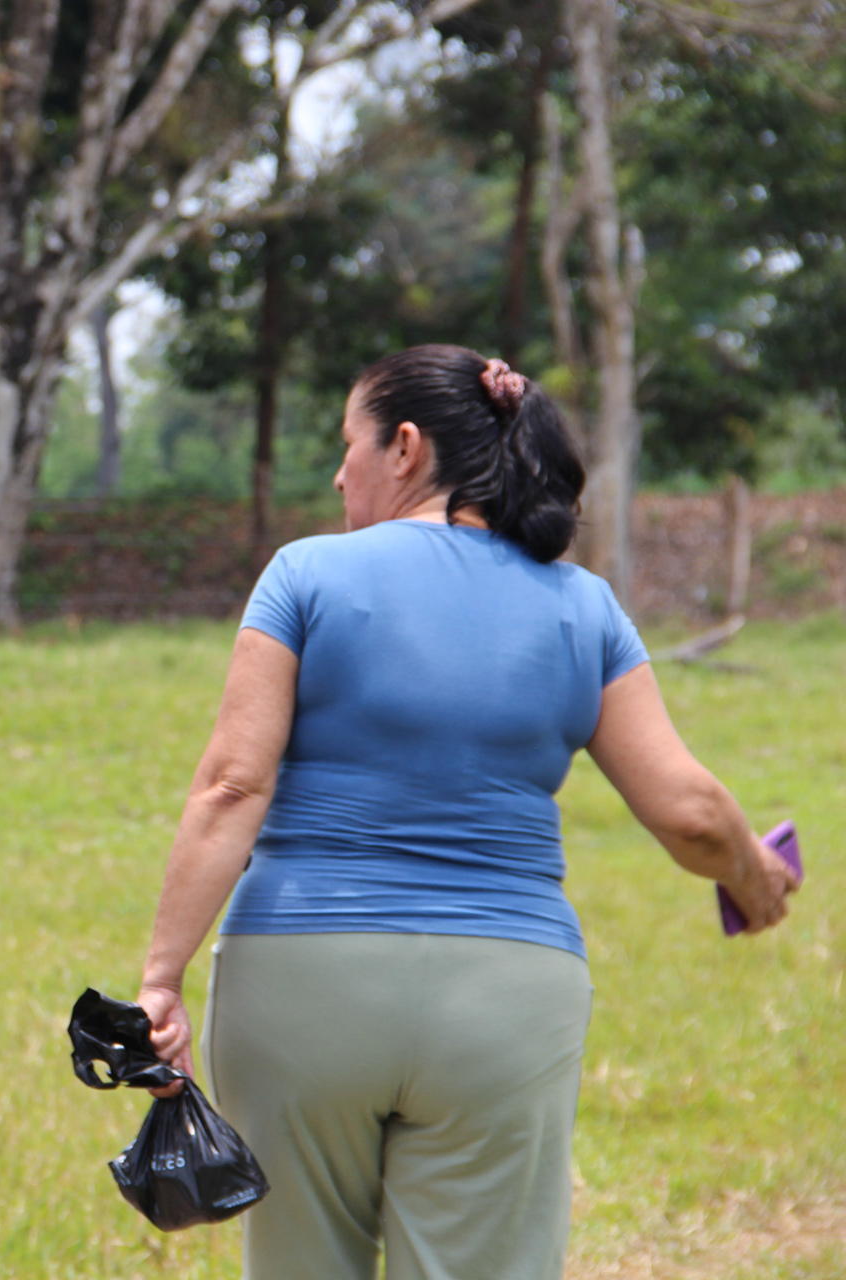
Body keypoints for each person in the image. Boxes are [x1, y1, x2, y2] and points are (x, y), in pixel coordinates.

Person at [134, 345, 798, 1280]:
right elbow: (688, 810)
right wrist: (753, 875)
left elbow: (231, 786)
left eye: (348, 445)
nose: (337, 474)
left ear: (404, 448)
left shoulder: (305, 575)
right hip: (506, 997)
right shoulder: (584, 607)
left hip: (300, 985)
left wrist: (160, 979)